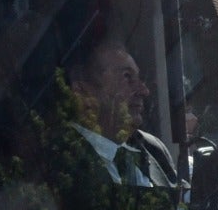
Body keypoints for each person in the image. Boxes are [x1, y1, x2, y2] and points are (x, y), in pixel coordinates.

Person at [70, 38, 178, 188]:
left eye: (138, 78)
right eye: (127, 76)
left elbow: (180, 207)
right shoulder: (60, 157)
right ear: (83, 91)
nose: (144, 91)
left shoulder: (152, 148)